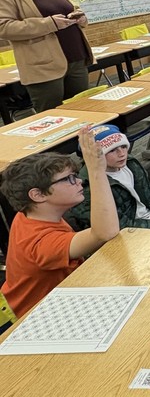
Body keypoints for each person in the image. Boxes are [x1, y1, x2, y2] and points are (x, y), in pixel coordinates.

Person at [0, 125, 120, 318]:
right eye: (69, 179)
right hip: (32, 318)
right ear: (37, 195)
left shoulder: (30, 214)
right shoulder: (41, 244)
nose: (79, 181)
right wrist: (96, 170)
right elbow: (105, 232)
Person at [0, 0, 92, 111]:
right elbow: (3, 27)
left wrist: (80, 18)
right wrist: (49, 24)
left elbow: (71, 8)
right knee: (55, 120)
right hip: (44, 68)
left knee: (84, 114)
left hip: (76, 57)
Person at [67, 124, 150, 232]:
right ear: (96, 156)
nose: (121, 153)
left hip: (148, 214)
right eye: (112, 150)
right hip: (128, 230)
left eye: (123, 146)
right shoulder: (89, 186)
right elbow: (118, 226)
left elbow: (149, 190)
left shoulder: (129, 163)